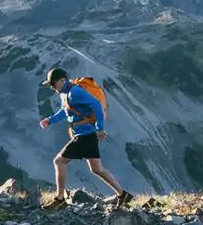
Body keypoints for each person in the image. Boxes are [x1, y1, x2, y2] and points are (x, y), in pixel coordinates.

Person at [38, 67, 133, 211]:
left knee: (58, 161)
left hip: (84, 135)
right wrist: (49, 120)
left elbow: (95, 104)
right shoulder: (65, 93)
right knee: (97, 169)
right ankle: (123, 195)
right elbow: (65, 111)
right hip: (86, 135)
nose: (52, 87)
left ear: (62, 80)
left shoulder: (74, 92)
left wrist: (100, 128)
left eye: (53, 83)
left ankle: (60, 199)